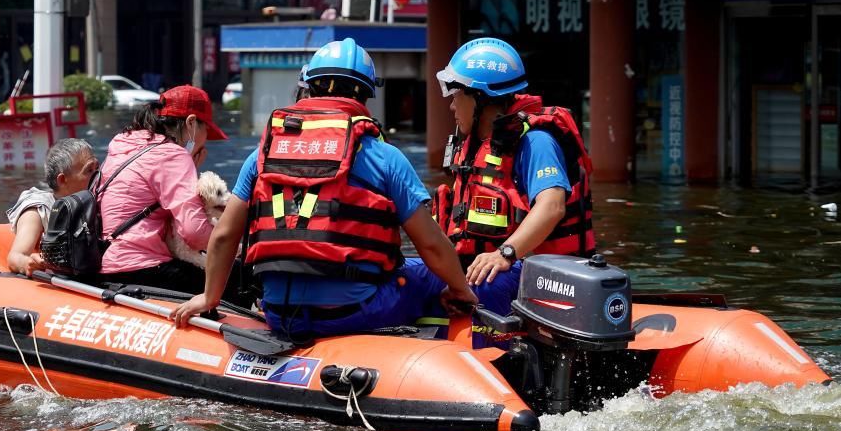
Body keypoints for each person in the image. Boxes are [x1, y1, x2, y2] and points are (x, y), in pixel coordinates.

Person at [172, 38, 478, 339]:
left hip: (277, 311)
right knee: (426, 275)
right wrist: (462, 290)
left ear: (308, 87)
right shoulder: (385, 157)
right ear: (365, 96)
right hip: (353, 312)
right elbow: (433, 246)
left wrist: (209, 297)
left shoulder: (263, 153)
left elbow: (224, 235)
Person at [432, 37, 595, 314]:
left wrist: (504, 254)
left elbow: (552, 205)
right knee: (411, 275)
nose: (451, 107)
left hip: (541, 274)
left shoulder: (537, 142)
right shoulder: (475, 145)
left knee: (484, 283)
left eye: (457, 96)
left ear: (479, 98)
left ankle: (485, 350)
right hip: (483, 264)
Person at [97, 84, 228, 293]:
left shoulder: (123, 144)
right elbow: (195, 233)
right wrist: (234, 245)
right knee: (236, 280)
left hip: (105, 262)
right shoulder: (174, 155)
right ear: (192, 123)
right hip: (144, 267)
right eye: (207, 131)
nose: (206, 142)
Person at [6, 138, 98, 276]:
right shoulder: (38, 210)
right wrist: (28, 264)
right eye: (89, 170)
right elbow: (15, 256)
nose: (98, 176)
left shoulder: (98, 199)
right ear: (62, 180)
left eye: (98, 168)